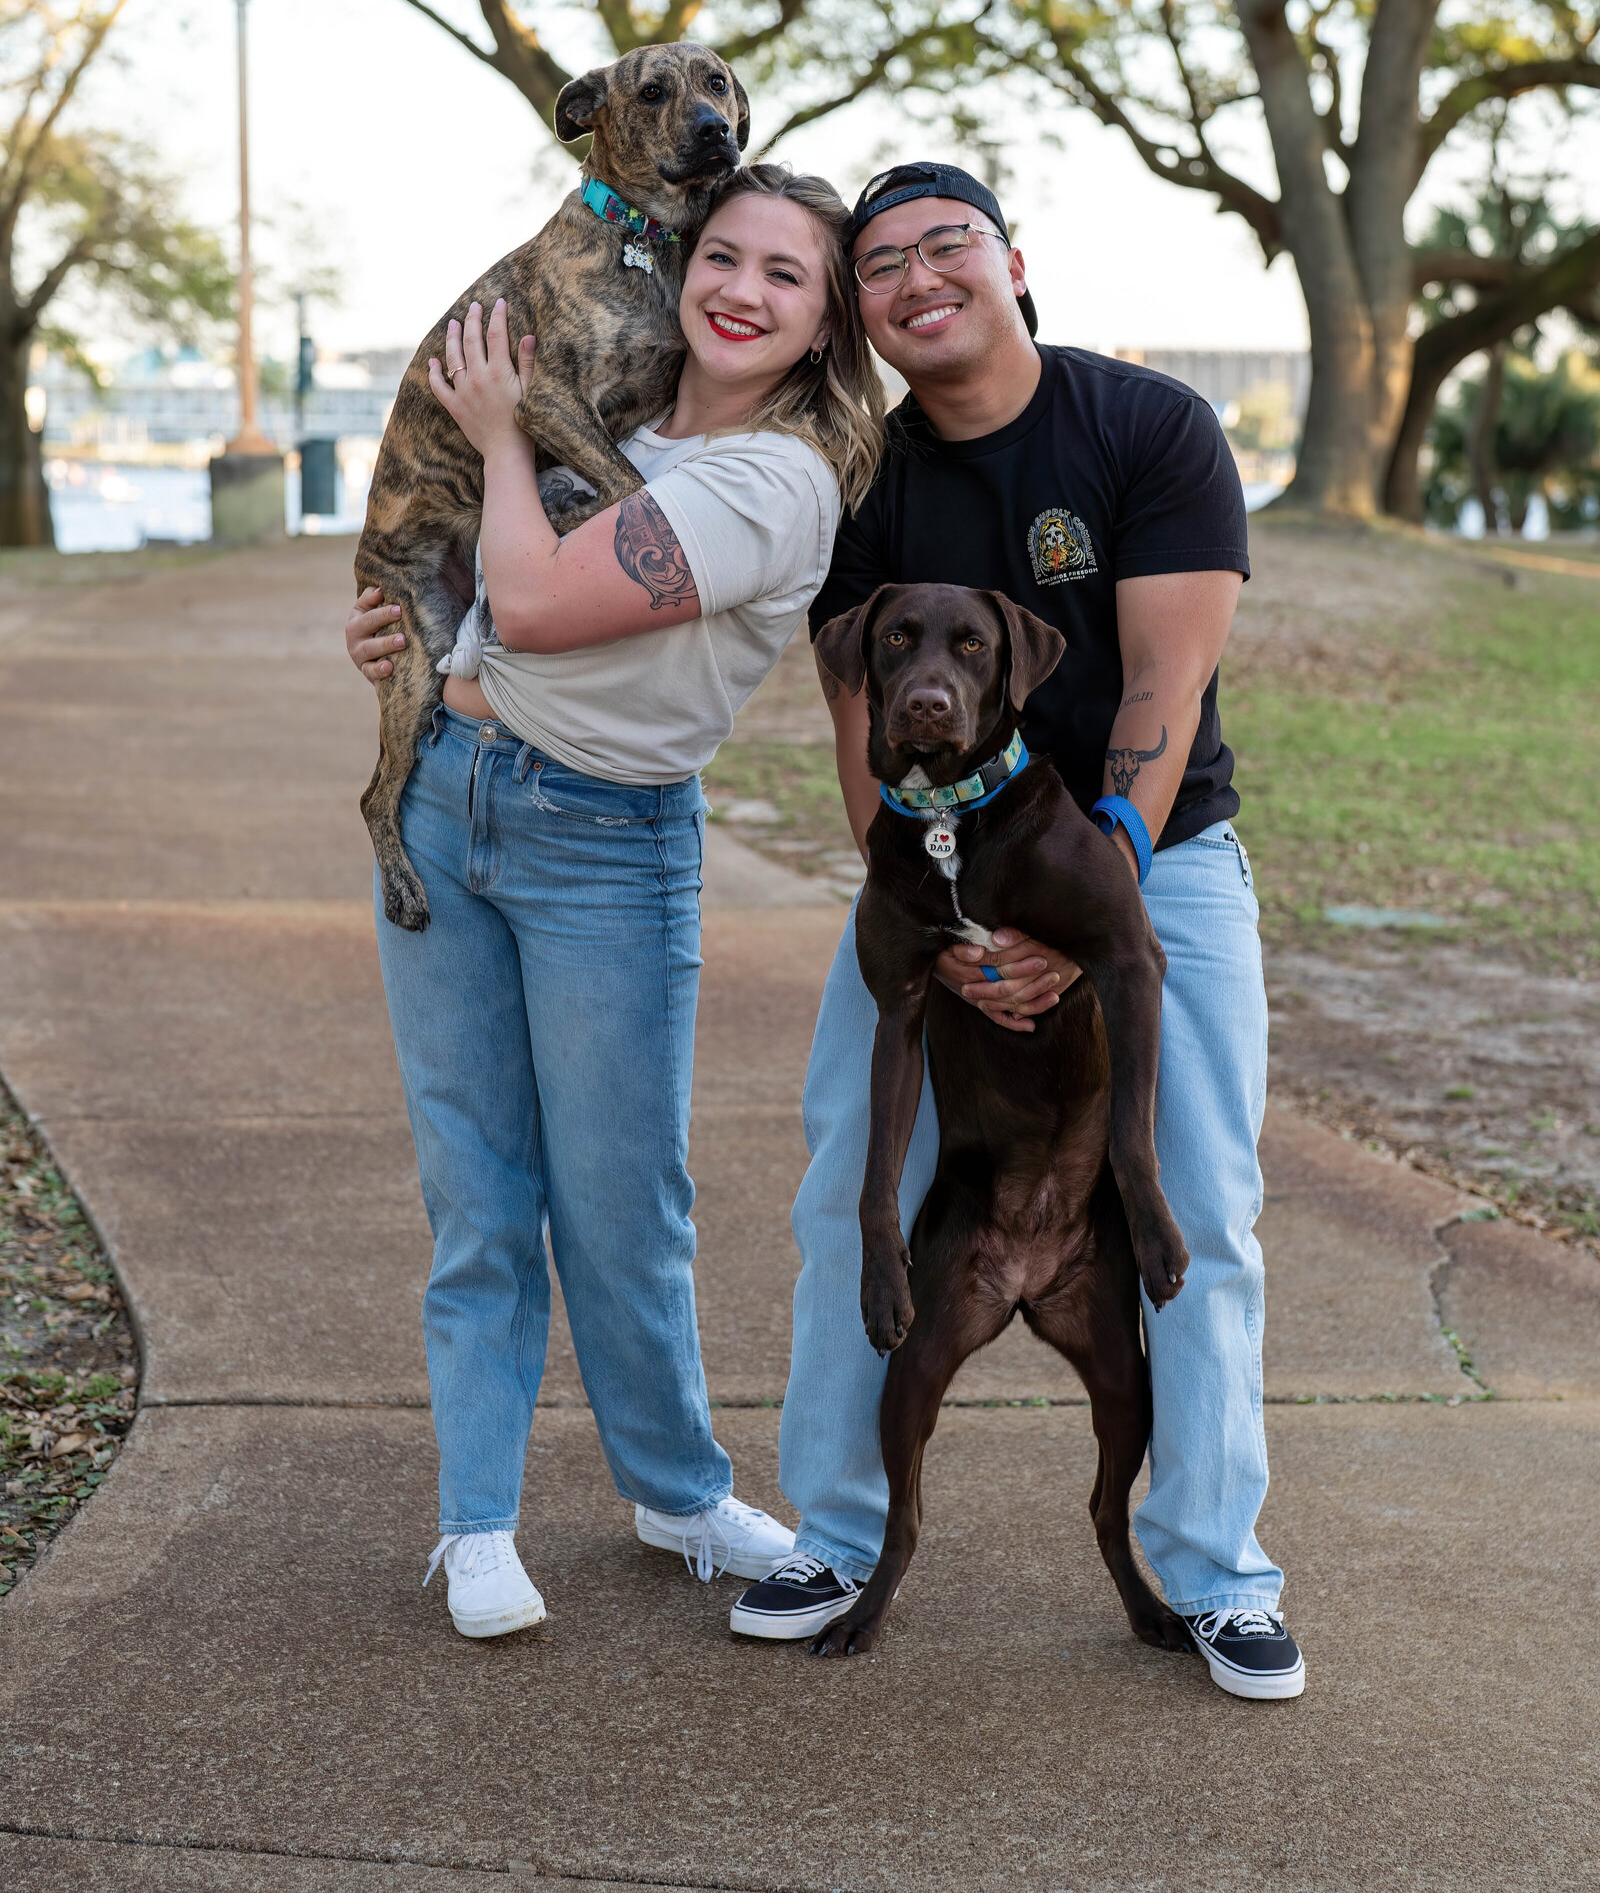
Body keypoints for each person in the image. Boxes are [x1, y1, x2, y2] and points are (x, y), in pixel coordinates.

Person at [728, 161, 1305, 1703]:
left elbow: (1161, 696)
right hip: (935, 867)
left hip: (1150, 857)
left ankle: (1216, 1570)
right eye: (880, 266)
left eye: (947, 245)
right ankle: (837, 1538)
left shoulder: (1146, 428)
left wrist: (1079, 893)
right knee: (851, 1167)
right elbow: (860, 718)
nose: (917, 277)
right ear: (861, 312)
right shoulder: (866, 479)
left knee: (1205, 1204)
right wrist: (932, 903)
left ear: (1010, 261)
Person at [344, 165, 885, 1639]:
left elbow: (537, 600)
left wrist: (504, 438)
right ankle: (475, 1526)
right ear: (680, 256)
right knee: (475, 1190)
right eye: (725, 254)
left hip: (605, 845)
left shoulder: (775, 481)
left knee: (621, 1202)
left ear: (827, 323)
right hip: (449, 799)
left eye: (787, 276)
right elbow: (480, 594)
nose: (741, 290)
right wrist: (399, 634)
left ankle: (675, 1488)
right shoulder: (628, 421)